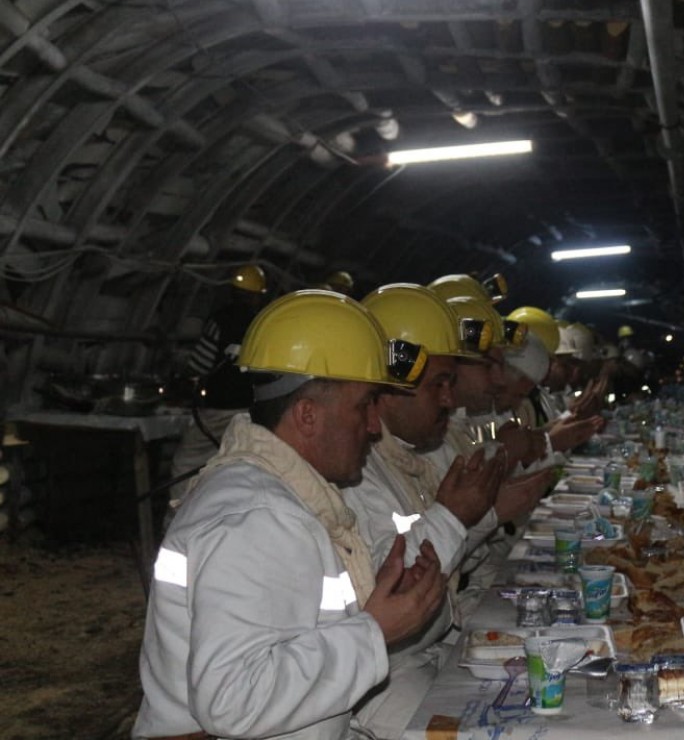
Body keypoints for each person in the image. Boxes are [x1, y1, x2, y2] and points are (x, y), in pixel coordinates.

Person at [135, 290, 447, 740]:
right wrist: (374, 631)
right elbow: (233, 700)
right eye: (363, 406)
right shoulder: (258, 518)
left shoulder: (280, 497)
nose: (374, 427)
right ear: (307, 415)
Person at [349, 284, 548, 737]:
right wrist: (472, 516)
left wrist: (479, 513)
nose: (451, 398)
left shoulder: (413, 446)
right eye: (440, 382)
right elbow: (395, 594)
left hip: (418, 653)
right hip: (379, 681)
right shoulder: (351, 469)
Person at [167, 263, 268, 513]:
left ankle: (178, 519)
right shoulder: (264, 324)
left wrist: (183, 377)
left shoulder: (220, 320)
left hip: (219, 409)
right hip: (253, 412)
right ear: (257, 295)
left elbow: (200, 364)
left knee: (186, 463)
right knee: (242, 466)